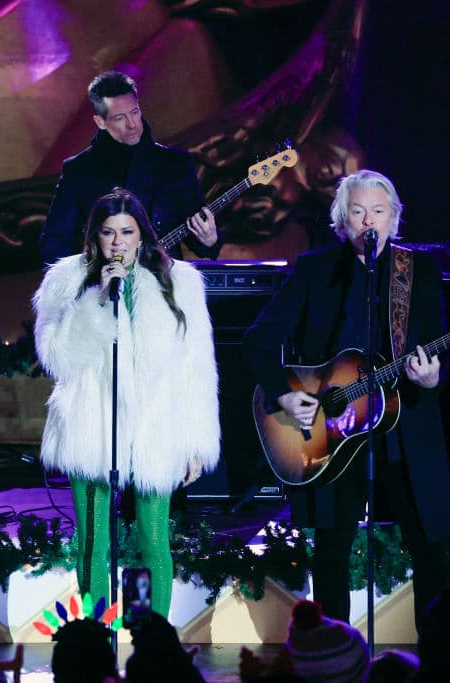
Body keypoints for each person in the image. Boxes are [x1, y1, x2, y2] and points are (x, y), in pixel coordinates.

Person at [243, 169, 450, 633]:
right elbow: (258, 340)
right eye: (358, 212)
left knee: (430, 550)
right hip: (330, 436)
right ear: (341, 219)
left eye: (378, 211)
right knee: (332, 552)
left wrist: (434, 377)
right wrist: (285, 394)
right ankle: (332, 653)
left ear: (394, 218)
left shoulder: (418, 270)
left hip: (405, 432)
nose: (368, 221)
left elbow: (439, 345)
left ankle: (437, 656)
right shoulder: (315, 270)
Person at [32, 187, 220, 617]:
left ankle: (148, 632)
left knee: (153, 539)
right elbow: (56, 357)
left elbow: (197, 367)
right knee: (94, 542)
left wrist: (196, 441)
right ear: (94, 236)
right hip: (92, 424)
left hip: (156, 426)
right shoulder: (67, 280)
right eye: (108, 232)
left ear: (142, 235)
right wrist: (97, 300)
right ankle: (98, 633)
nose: (117, 242)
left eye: (127, 232)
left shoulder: (180, 281)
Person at [40, 70, 221, 266]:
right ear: (100, 122)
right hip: (104, 280)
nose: (133, 124)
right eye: (120, 118)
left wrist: (209, 240)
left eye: (135, 112)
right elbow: (54, 242)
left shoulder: (176, 163)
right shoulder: (79, 170)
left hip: (163, 279)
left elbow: (198, 238)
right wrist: (81, 279)